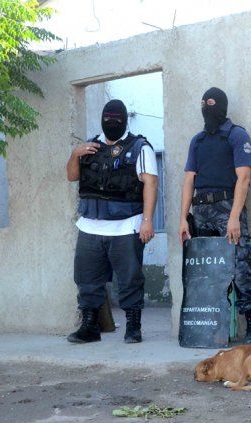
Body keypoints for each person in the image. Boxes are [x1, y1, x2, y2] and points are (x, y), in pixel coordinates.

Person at [65, 99, 158, 344]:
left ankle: (133, 326)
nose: (111, 122)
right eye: (107, 118)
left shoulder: (140, 147)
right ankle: (89, 326)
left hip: (126, 224)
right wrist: (75, 154)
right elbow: (71, 176)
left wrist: (147, 221)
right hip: (90, 225)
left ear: (125, 120)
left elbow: (151, 183)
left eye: (116, 119)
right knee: (87, 279)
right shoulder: (90, 146)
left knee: (130, 279)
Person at [178, 87, 251, 344]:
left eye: (211, 103)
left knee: (239, 267)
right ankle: (209, 330)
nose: (206, 107)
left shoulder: (236, 135)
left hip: (227, 207)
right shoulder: (198, 140)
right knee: (204, 272)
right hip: (201, 210)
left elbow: (244, 177)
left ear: (222, 106)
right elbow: (188, 180)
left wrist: (234, 216)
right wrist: (183, 217)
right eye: (203, 103)